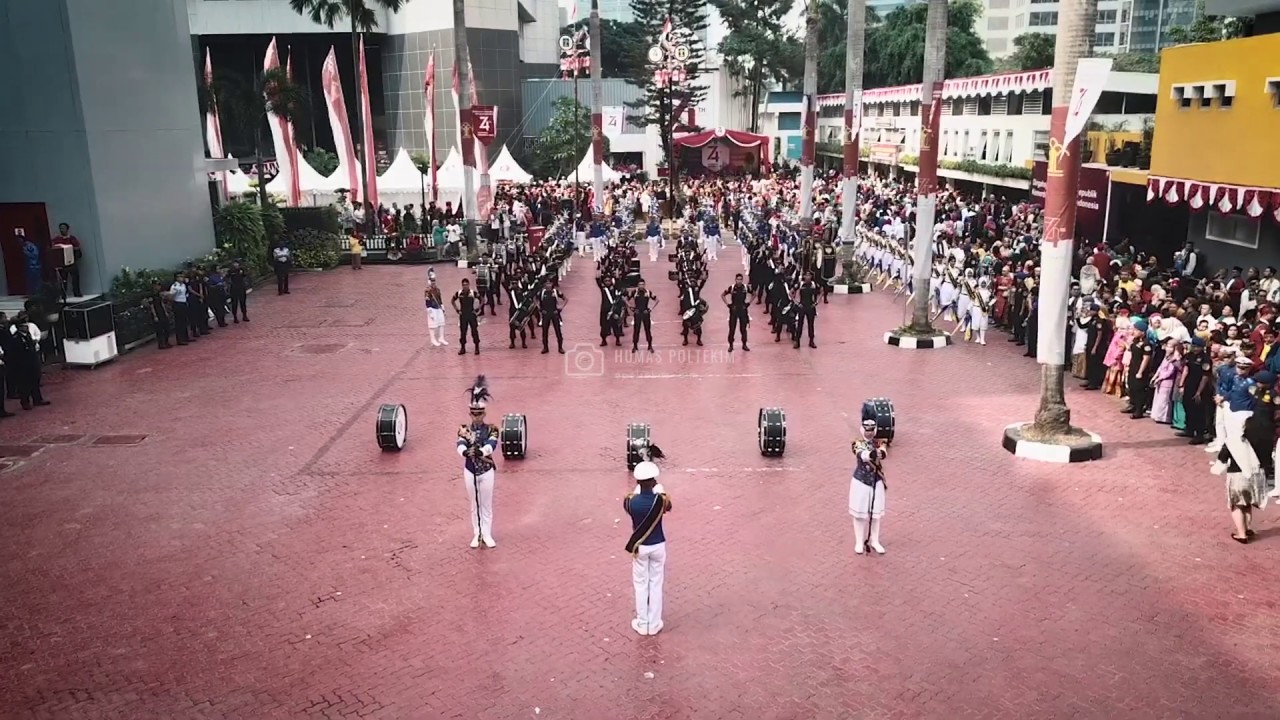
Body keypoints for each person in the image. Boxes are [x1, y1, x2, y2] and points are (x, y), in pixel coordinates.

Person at [625, 460, 671, 636]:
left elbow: (630, 502)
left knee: (641, 585)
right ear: (654, 480)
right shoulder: (660, 500)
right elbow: (669, 507)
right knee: (656, 584)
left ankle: (642, 623)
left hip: (640, 547)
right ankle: (654, 623)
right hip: (658, 544)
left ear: (637, 482)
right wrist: (660, 491)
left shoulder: (630, 502)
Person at [456, 376, 499, 548]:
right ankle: (477, 533)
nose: (476, 418)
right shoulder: (464, 429)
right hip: (470, 470)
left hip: (486, 470)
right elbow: (459, 443)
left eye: (479, 414)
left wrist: (481, 451)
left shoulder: (492, 429)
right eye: (474, 415)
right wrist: (465, 451)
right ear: (470, 415)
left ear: (484, 414)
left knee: (486, 504)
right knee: (474, 504)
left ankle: (487, 534)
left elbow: (492, 444)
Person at [849, 418, 887, 555]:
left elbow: (883, 452)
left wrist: (880, 453)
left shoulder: (879, 442)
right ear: (862, 430)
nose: (869, 433)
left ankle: (875, 540)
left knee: (875, 515)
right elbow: (861, 454)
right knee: (859, 514)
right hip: (861, 481)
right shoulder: (857, 443)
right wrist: (871, 454)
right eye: (867, 430)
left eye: (872, 430)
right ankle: (859, 541)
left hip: (876, 481)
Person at [451, 278, 481, 355]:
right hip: (463, 315)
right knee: (463, 332)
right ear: (462, 285)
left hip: (471, 314)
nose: (465, 286)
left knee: (474, 331)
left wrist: (478, 309)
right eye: (464, 285)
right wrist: (457, 310)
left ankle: (477, 347)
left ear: (469, 285)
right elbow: (452, 300)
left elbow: (482, 299)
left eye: (466, 285)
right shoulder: (459, 293)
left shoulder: (472, 293)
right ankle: (463, 348)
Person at [537, 278, 567, 354]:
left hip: (554, 313)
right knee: (545, 331)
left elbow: (565, 299)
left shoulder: (555, 292)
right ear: (544, 285)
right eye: (547, 284)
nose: (548, 285)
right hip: (545, 314)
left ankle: (560, 347)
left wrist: (561, 307)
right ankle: (545, 347)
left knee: (558, 331)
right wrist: (539, 308)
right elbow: (534, 299)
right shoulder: (542, 292)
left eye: (550, 283)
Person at [722, 272, 750, 352]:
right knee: (732, 329)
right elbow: (723, 295)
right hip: (734, 310)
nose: (739, 281)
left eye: (741, 279)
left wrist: (748, 303)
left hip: (743, 310)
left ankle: (744, 344)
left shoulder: (745, 287)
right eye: (738, 279)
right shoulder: (732, 287)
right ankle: (731, 345)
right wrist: (728, 305)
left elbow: (754, 294)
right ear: (735, 280)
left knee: (743, 329)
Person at [629, 278, 657, 353]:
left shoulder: (648, 292)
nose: (641, 286)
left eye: (642, 284)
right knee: (636, 330)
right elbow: (626, 299)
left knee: (647, 330)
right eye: (640, 284)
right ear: (637, 285)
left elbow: (657, 300)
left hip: (645, 313)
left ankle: (650, 345)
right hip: (637, 313)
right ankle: (635, 346)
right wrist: (631, 308)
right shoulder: (634, 292)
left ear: (644, 285)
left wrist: (650, 309)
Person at [794, 271, 819, 349]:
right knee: (800, 324)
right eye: (806, 275)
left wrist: (816, 302)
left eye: (809, 275)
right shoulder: (800, 284)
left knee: (811, 324)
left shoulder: (814, 284)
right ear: (804, 276)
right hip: (802, 306)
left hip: (811, 306)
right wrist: (797, 303)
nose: (808, 277)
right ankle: (797, 341)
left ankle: (811, 341)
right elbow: (791, 292)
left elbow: (822, 291)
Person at [147, 281, 172, 350]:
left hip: (162, 312)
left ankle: (166, 341)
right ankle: (161, 343)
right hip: (156, 313)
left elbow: (162, 303)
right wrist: (155, 316)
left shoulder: (159, 294)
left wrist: (165, 312)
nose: (159, 287)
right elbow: (151, 306)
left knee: (167, 327)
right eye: (157, 286)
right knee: (159, 329)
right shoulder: (151, 295)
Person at [426, 282, 448, 347]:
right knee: (432, 324)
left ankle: (441, 338)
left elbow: (439, 298)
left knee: (442, 323)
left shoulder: (437, 290)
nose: (433, 283)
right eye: (432, 281)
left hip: (438, 307)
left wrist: (442, 306)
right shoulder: (428, 291)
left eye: (434, 281)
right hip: (432, 308)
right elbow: (427, 301)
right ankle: (432, 339)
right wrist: (429, 310)